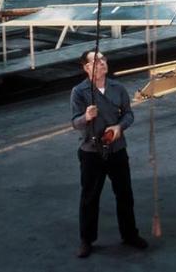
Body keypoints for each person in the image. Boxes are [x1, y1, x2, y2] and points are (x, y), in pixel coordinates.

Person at [70, 50, 148, 258]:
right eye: (96, 61)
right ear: (86, 68)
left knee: (124, 194)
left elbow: (128, 114)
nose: (102, 63)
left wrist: (119, 128)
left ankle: (130, 234)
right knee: (90, 197)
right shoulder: (79, 92)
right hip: (91, 152)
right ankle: (86, 240)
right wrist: (86, 117)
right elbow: (75, 123)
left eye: (103, 59)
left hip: (117, 149)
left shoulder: (118, 88)